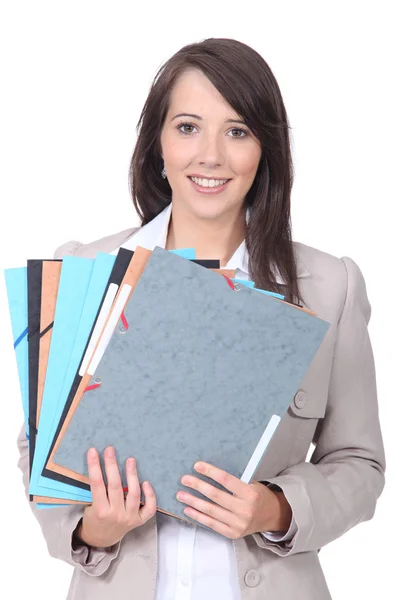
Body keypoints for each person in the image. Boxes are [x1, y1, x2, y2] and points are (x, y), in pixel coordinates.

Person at [17, 37, 385, 600]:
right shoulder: (86, 271)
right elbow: (38, 450)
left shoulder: (329, 287)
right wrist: (96, 529)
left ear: (264, 149)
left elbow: (359, 464)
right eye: (188, 127)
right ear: (157, 145)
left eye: (237, 131)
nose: (210, 155)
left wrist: (277, 507)